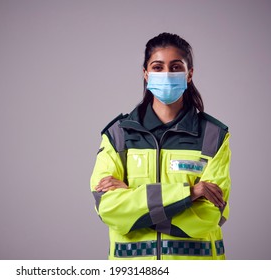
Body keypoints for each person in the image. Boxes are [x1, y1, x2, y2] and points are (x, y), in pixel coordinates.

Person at [90, 32, 231, 260]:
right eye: (157, 67)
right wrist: (189, 193)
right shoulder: (118, 134)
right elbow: (109, 209)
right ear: (146, 74)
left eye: (176, 67)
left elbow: (209, 216)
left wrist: (134, 206)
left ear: (189, 74)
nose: (166, 74)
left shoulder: (213, 136)